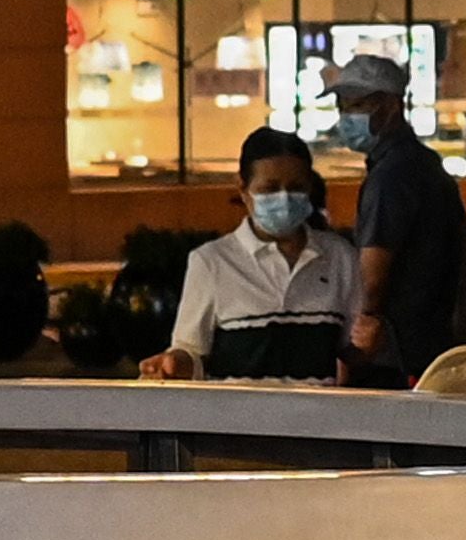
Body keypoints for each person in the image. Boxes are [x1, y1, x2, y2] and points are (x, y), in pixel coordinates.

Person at [153, 129, 358, 379]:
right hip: (237, 416)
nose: (284, 198)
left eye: (296, 188)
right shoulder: (211, 262)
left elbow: (353, 352)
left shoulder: (340, 258)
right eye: (270, 189)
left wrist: (370, 342)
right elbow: (191, 351)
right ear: (243, 188)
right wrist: (172, 363)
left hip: (317, 415)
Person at [325, 48, 466, 390]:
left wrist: (357, 345)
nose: (347, 116)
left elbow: (371, 279)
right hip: (432, 344)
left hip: (395, 352)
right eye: (342, 106)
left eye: (357, 105)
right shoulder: (426, 164)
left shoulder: (391, 176)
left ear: (390, 106)